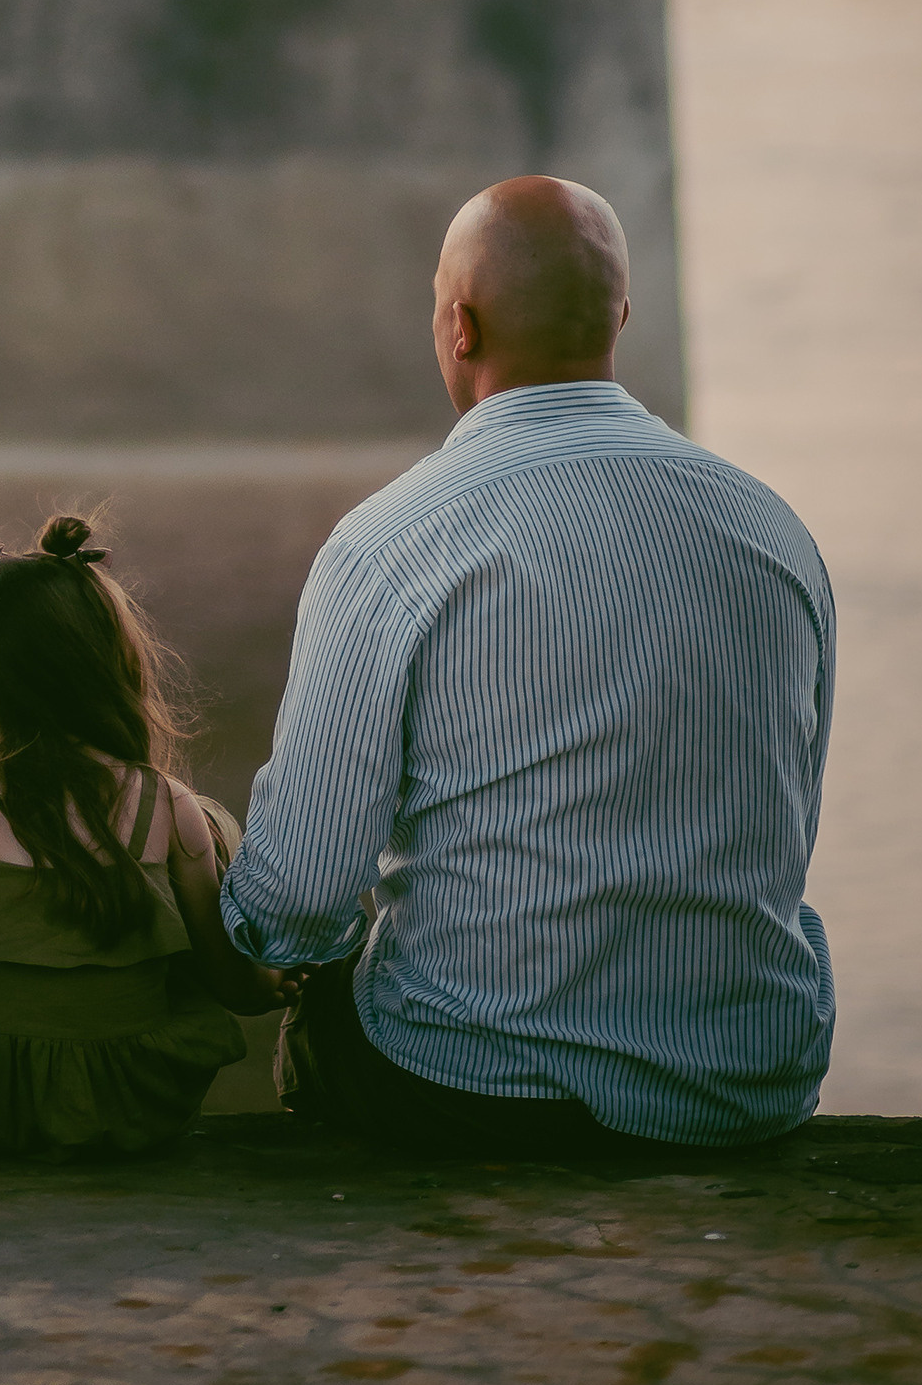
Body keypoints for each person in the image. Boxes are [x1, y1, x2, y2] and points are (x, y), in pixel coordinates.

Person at [224, 174, 836, 1154]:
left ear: (458, 327)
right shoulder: (774, 532)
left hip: (478, 1090)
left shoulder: (389, 545)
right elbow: (788, 819)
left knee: (334, 997)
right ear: (619, 317)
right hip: (744, 1085)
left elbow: (296, 901)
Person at [0, 517, 287, 1157]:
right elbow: (221, 975)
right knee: (208, 828)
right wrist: (265, 984)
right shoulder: (164, 801)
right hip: (137, 1102)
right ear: (107, 663)